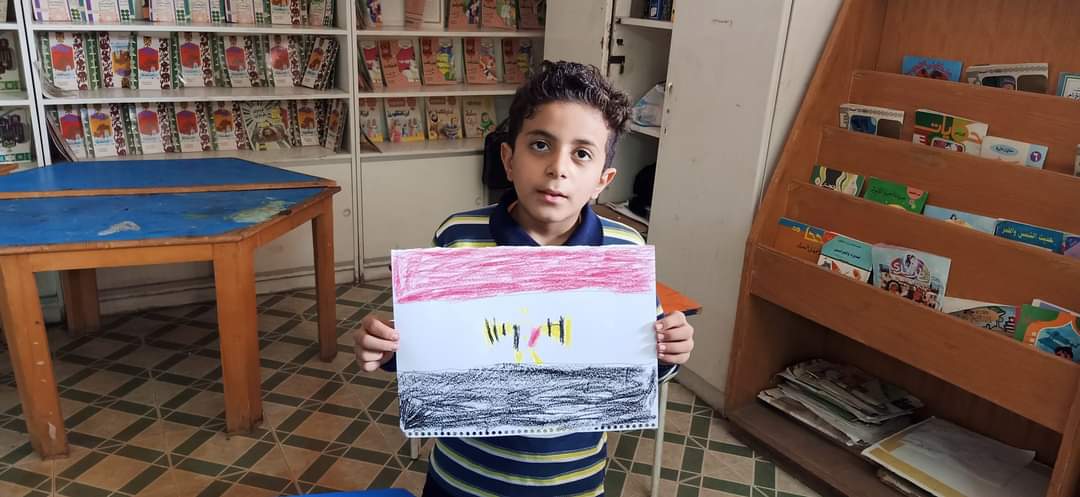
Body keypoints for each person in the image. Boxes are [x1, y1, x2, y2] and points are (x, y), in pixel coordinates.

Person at [354, 60, 695, 496]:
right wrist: (387, 349)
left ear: (602, 180)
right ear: (508, 160)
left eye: (582, 154)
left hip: (570, 483)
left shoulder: (623, 251)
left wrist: (669, 351)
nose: (558, 168)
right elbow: (427, 350)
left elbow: (642, 361)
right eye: (540, 145)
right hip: (462, 479)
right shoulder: (458, 236)